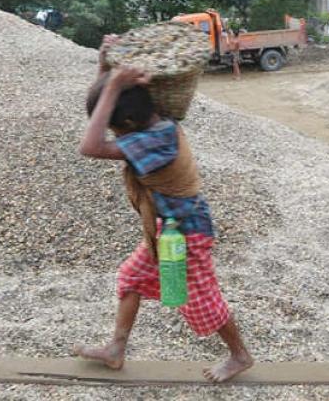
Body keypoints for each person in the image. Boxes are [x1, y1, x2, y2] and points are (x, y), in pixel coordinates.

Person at [71, 36, 254, 383]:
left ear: (127, 123)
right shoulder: (153, 121)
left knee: (200, 299)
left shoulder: (157, 138)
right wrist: (105, 66)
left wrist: (114, 85)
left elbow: (90, 146)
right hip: (167, 229)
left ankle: (240, 355)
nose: (112, 131)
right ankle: (116, 349)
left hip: (187, 233)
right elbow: (105, 113)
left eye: (115, 127)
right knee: (132, 278)